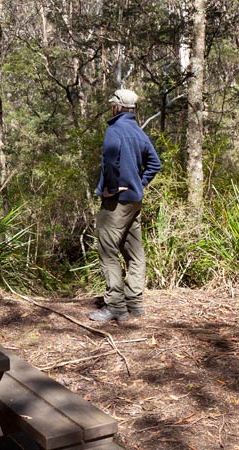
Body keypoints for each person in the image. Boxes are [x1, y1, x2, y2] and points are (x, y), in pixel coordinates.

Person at [89, 88, 161, 323]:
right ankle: (135, 303)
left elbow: (110, 163)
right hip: (134, 200)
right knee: (134, 252)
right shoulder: (139, 133)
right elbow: (155, 163)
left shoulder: (115, 130)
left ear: (118, 107)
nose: (112, 107)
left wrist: (111, 187)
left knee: (108, 251)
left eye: (113, 105)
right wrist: (138, 185)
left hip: (116, 201)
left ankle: (116, 307)